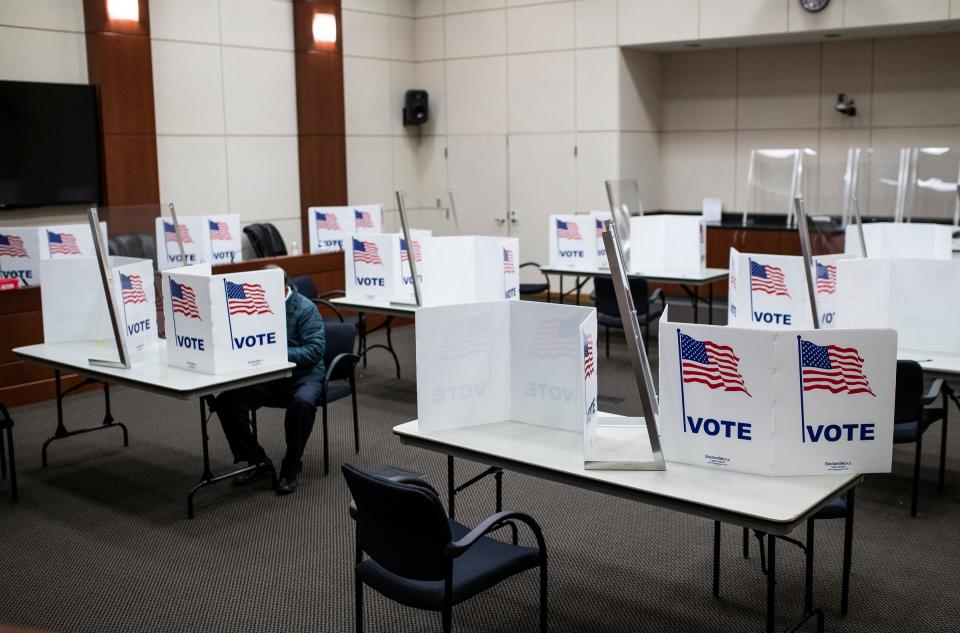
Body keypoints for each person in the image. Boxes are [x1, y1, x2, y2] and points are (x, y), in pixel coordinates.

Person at [215, 267, 326, 495]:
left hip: (303, 374)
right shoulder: (256, 309)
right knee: (227, 402)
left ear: (283, 288)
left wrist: (275, 352)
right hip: (269, 375)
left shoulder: (305, 309)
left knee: (303, 403)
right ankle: (257, 461)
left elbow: (315, 351)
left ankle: (292, 465)